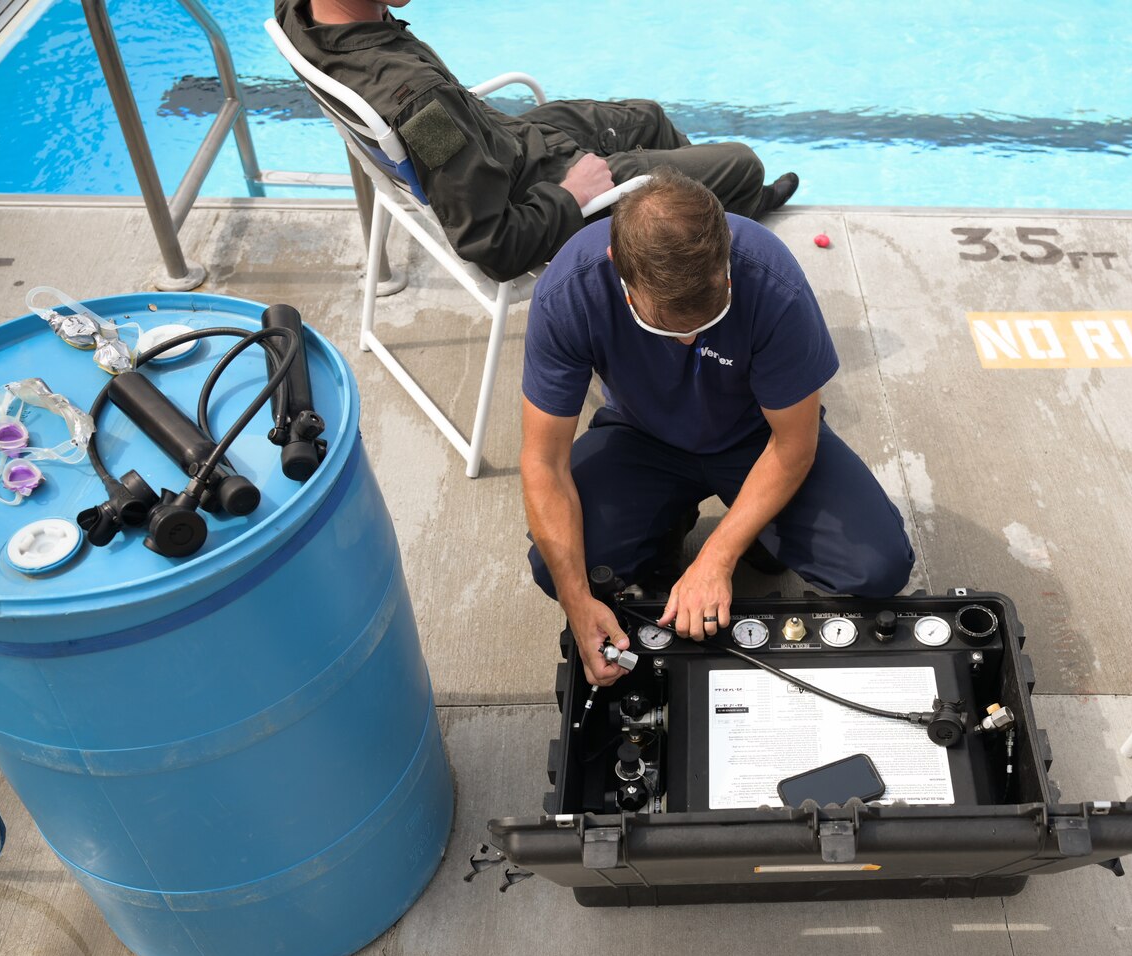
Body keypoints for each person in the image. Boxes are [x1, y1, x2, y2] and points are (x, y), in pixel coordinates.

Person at [520, 170, 914, 687]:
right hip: (642, 438)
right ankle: (669, 525)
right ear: (620, 271)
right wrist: (577, 603)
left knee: (879, 568)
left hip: (758, 440)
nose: (685, 342)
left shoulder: (772, 281)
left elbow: (794, 443)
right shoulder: (569, 292)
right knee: (559, 570)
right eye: (663, 323)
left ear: (725, 257)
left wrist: (717, 556)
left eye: (705, 321)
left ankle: (750, 536)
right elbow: (543, 462)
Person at [276, 0, 799, 283]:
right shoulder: (423, 108)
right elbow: (493, 246)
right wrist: (573, 193)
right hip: (546, 190)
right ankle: (706, 233)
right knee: (743, 163)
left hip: (507, 139)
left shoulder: (300, 13)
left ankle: (707, 223)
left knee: (650, 117)